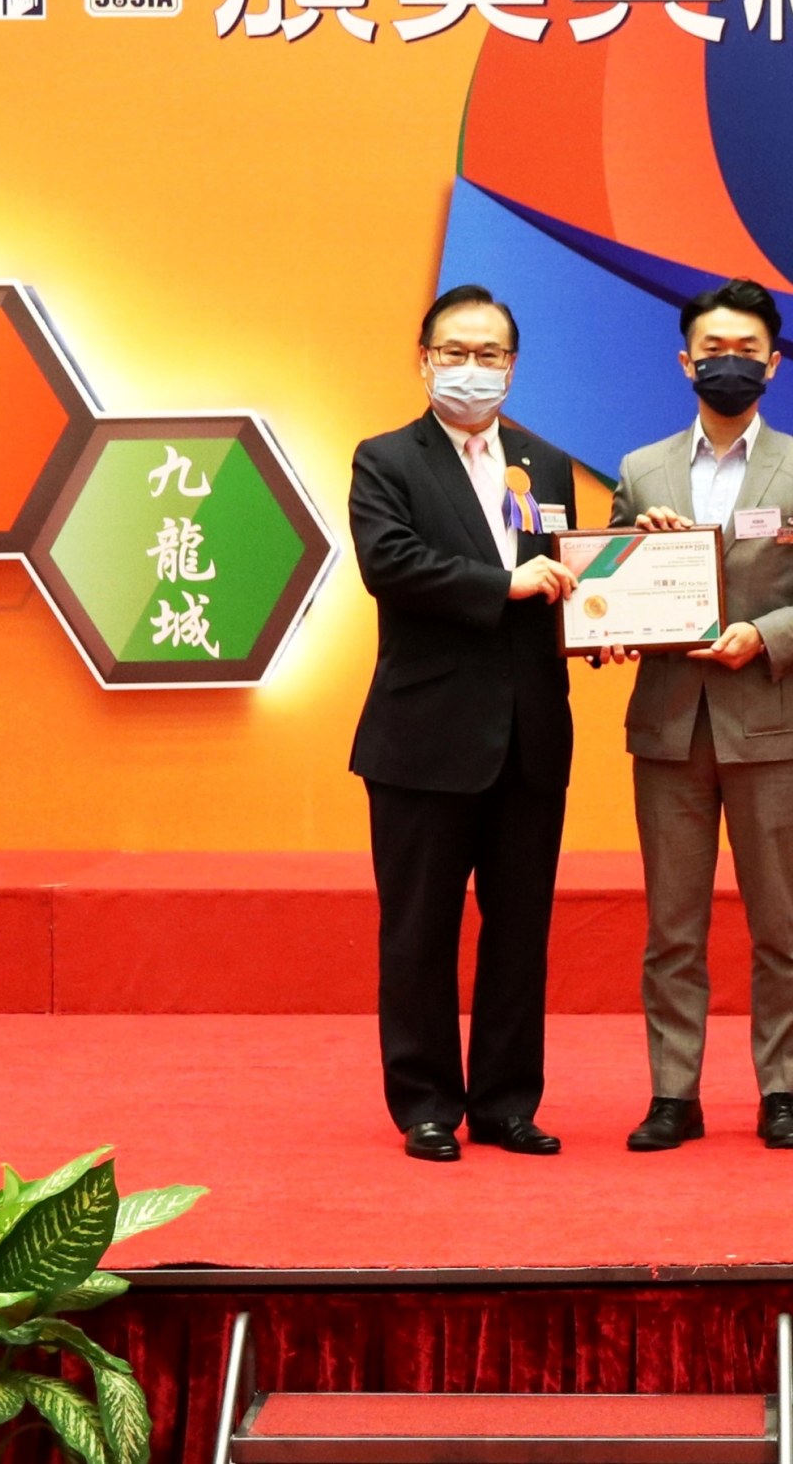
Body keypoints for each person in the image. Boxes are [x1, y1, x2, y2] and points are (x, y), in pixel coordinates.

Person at [602, 280, 793, 1153]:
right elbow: (608, 594)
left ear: (773, 364)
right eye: (712, 348)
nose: (729, 362)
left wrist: (766, 633)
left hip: (768, 726)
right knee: (671, 926)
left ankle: (781, 1089)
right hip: (668, 725)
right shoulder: (641, 469)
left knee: (780, 925)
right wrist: (629, 576)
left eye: (746, 350)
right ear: (685, 361)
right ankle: (673, 1092)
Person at [345, 283, 582, 1162]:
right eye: (456, 352)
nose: (472, 370)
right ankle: (426, 1105)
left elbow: (561, 575)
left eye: (490, 356)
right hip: (423, 739)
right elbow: (390, 564)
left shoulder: (544, 462)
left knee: (521, 934)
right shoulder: (387, 459)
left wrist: (604, 617)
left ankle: (508, 1102)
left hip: (529, 738)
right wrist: (502, 585)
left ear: (513, 367)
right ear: (424, 358)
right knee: (419, 933)